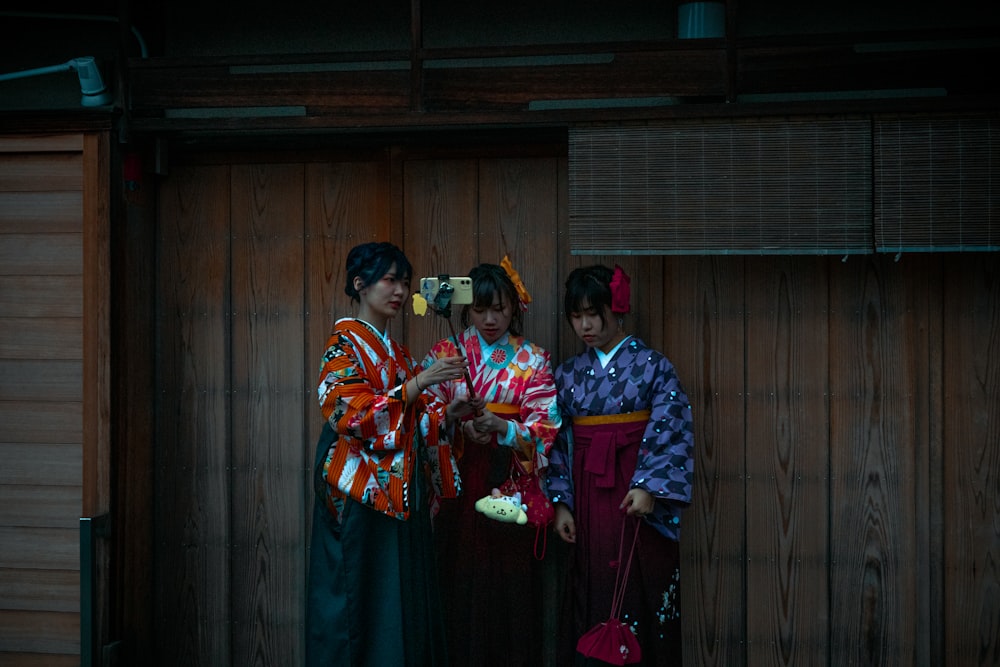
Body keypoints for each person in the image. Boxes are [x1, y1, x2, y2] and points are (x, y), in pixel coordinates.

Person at [305, 241, 474, 667]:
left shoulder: (395, 351)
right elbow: (351, 413)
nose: (399, 290)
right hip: (357, 486)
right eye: (388, 280)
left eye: (403, 281)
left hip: (399, 491)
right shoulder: (343, 344)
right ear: (359, 284)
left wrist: (446, 415)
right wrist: (422, 381)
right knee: (357, 592)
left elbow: (411, 414)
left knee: (398, 591)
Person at [547, 264, 695, 667]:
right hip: (588, 496)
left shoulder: (653, 366)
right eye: (576, 316)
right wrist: (561, 502)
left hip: (637, 492)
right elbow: (555, 439)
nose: (585, 326)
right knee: (591, 583)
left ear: (617, 309)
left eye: (593, 314)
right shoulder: (568, 375)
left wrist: (650, 486)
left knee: (639, 583)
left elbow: (672, 425)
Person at [420, 262, 561, 667]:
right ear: (466, 310)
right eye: (480, 309)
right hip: (459, 478)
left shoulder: (532, 359)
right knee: (458, 577)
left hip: (509, 479)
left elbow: (546, 425)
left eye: (499, 309)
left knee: (510, 585)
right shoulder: (447, 353)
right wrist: (452, 418)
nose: (490, 319)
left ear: (514, 309)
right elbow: (424, 413)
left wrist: (502, 426)